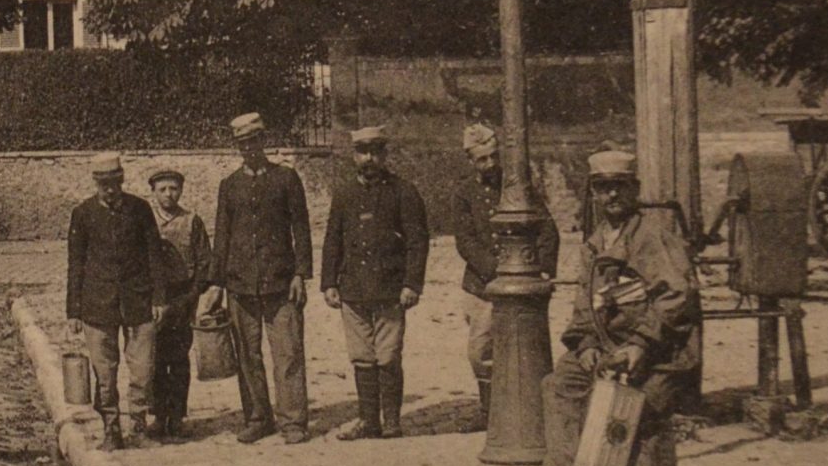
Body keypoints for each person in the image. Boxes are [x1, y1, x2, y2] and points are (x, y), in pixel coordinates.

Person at [525, 149, 700, 466]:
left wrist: (641, 344)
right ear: (593, 194)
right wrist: (584, 345)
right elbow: (585, 304)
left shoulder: (652, 235)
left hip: (661, 349)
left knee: (638, 416)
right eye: (602, 188)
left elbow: (678, 298)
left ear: (634, 190)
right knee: (561, 384)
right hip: (608, 348)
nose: (611, 196)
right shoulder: (596, 241)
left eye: (619, 187)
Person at [205, 112, 313, 444]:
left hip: (281, 282)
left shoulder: (286, 178)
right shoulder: (230, 185)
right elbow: (221, 236)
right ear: (236, 147)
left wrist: (300, 273)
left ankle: (293, 421)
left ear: (263, 141)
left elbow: (301, 229)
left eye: (253, 141)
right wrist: (216, 283)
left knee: (288, 353)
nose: (248, 149)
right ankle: (257, 417)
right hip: (240, 285)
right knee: (247, 355)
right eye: (242, 144)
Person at [452, 122, 561, 432]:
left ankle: (523, 412)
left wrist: (542, 270)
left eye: (494, 156)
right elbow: (466, 241)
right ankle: (488, 412)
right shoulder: (464, 194)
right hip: (482, 286)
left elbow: (546, 229)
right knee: (480, 351)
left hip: (522, 279)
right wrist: (496, 272)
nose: (491, 164)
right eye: (482, 159)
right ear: (470, 161)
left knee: (522, 346)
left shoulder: (518, 187)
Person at [321, 126, 429, 439]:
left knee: (389, 354)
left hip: (390, 288)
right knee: (361, 356)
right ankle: (369, 420)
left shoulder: (403, 192)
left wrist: (412, 284)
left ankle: (392, 421)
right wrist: (329, 282)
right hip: (353, 288)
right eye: (362, 152)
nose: (369, 158)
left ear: (384, 155)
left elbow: (417, 242)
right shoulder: (344, 194)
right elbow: (332, 240)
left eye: (375, 152)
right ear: (354, 155)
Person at [67, 153, 168, 451]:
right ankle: (111, 429)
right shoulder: (83, 213)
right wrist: (73, 310)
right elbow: (76, 264)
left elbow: (154, 257)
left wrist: (159, 298)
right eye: (103, 184)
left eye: (114, 183)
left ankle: (138, 427)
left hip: (138, 302)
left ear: (122, 179)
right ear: (95, 183)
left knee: (141, 370)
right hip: (97, 304)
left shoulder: (140, 209)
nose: (109, 189)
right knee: (105, 373)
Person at [145, 167, 210, 440]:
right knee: (155, 357)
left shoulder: (192, 221)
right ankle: (159, 415)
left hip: (183, 298)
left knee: (179, 358)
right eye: (163, 189)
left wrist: (193, 295)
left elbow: (205, 262)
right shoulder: (146, 221)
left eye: (173, 188)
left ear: (181, 190)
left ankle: (178, 417)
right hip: (154, 299)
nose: (168, 194)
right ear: (154, 192)